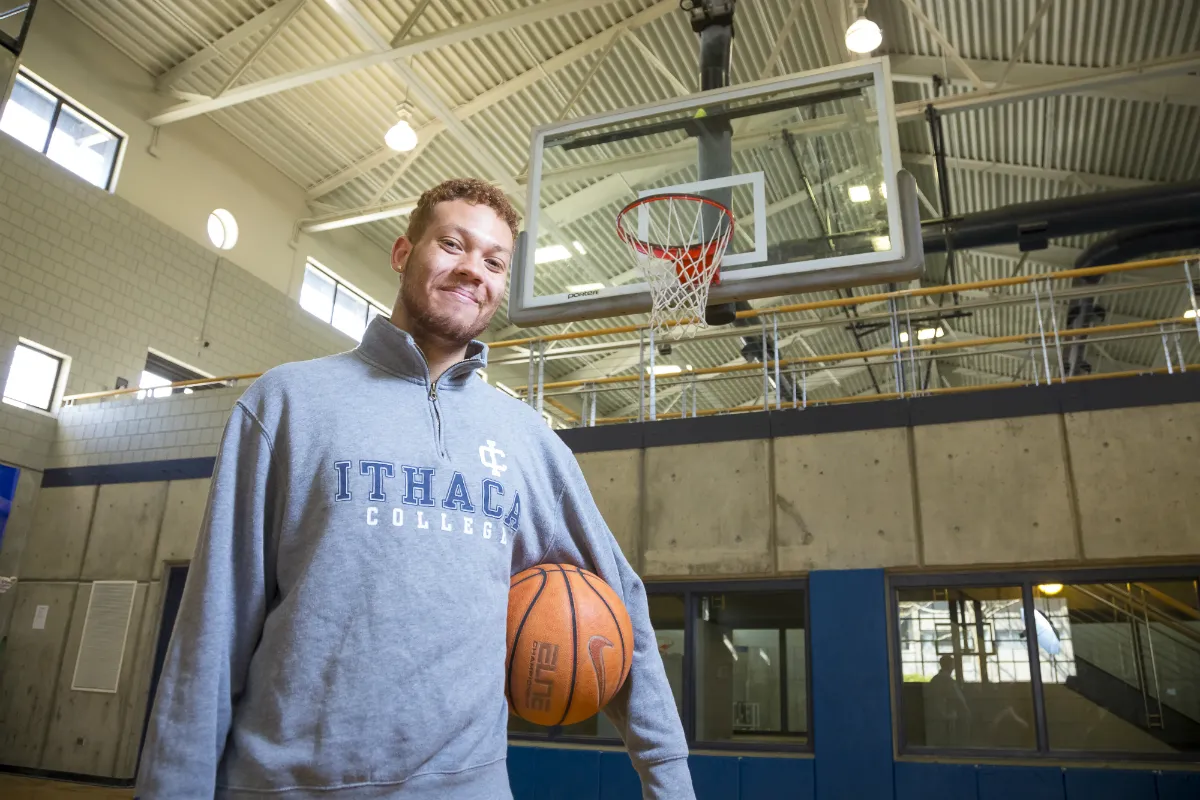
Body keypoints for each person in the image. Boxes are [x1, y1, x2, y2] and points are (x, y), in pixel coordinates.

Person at [136, 179, 694, 799]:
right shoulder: (288, 401)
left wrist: (670, 785)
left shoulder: (527, 441)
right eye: (452, 244)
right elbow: (213, 626)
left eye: (493, 261)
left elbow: (623, 606)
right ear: (404, 254)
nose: (472, 270)